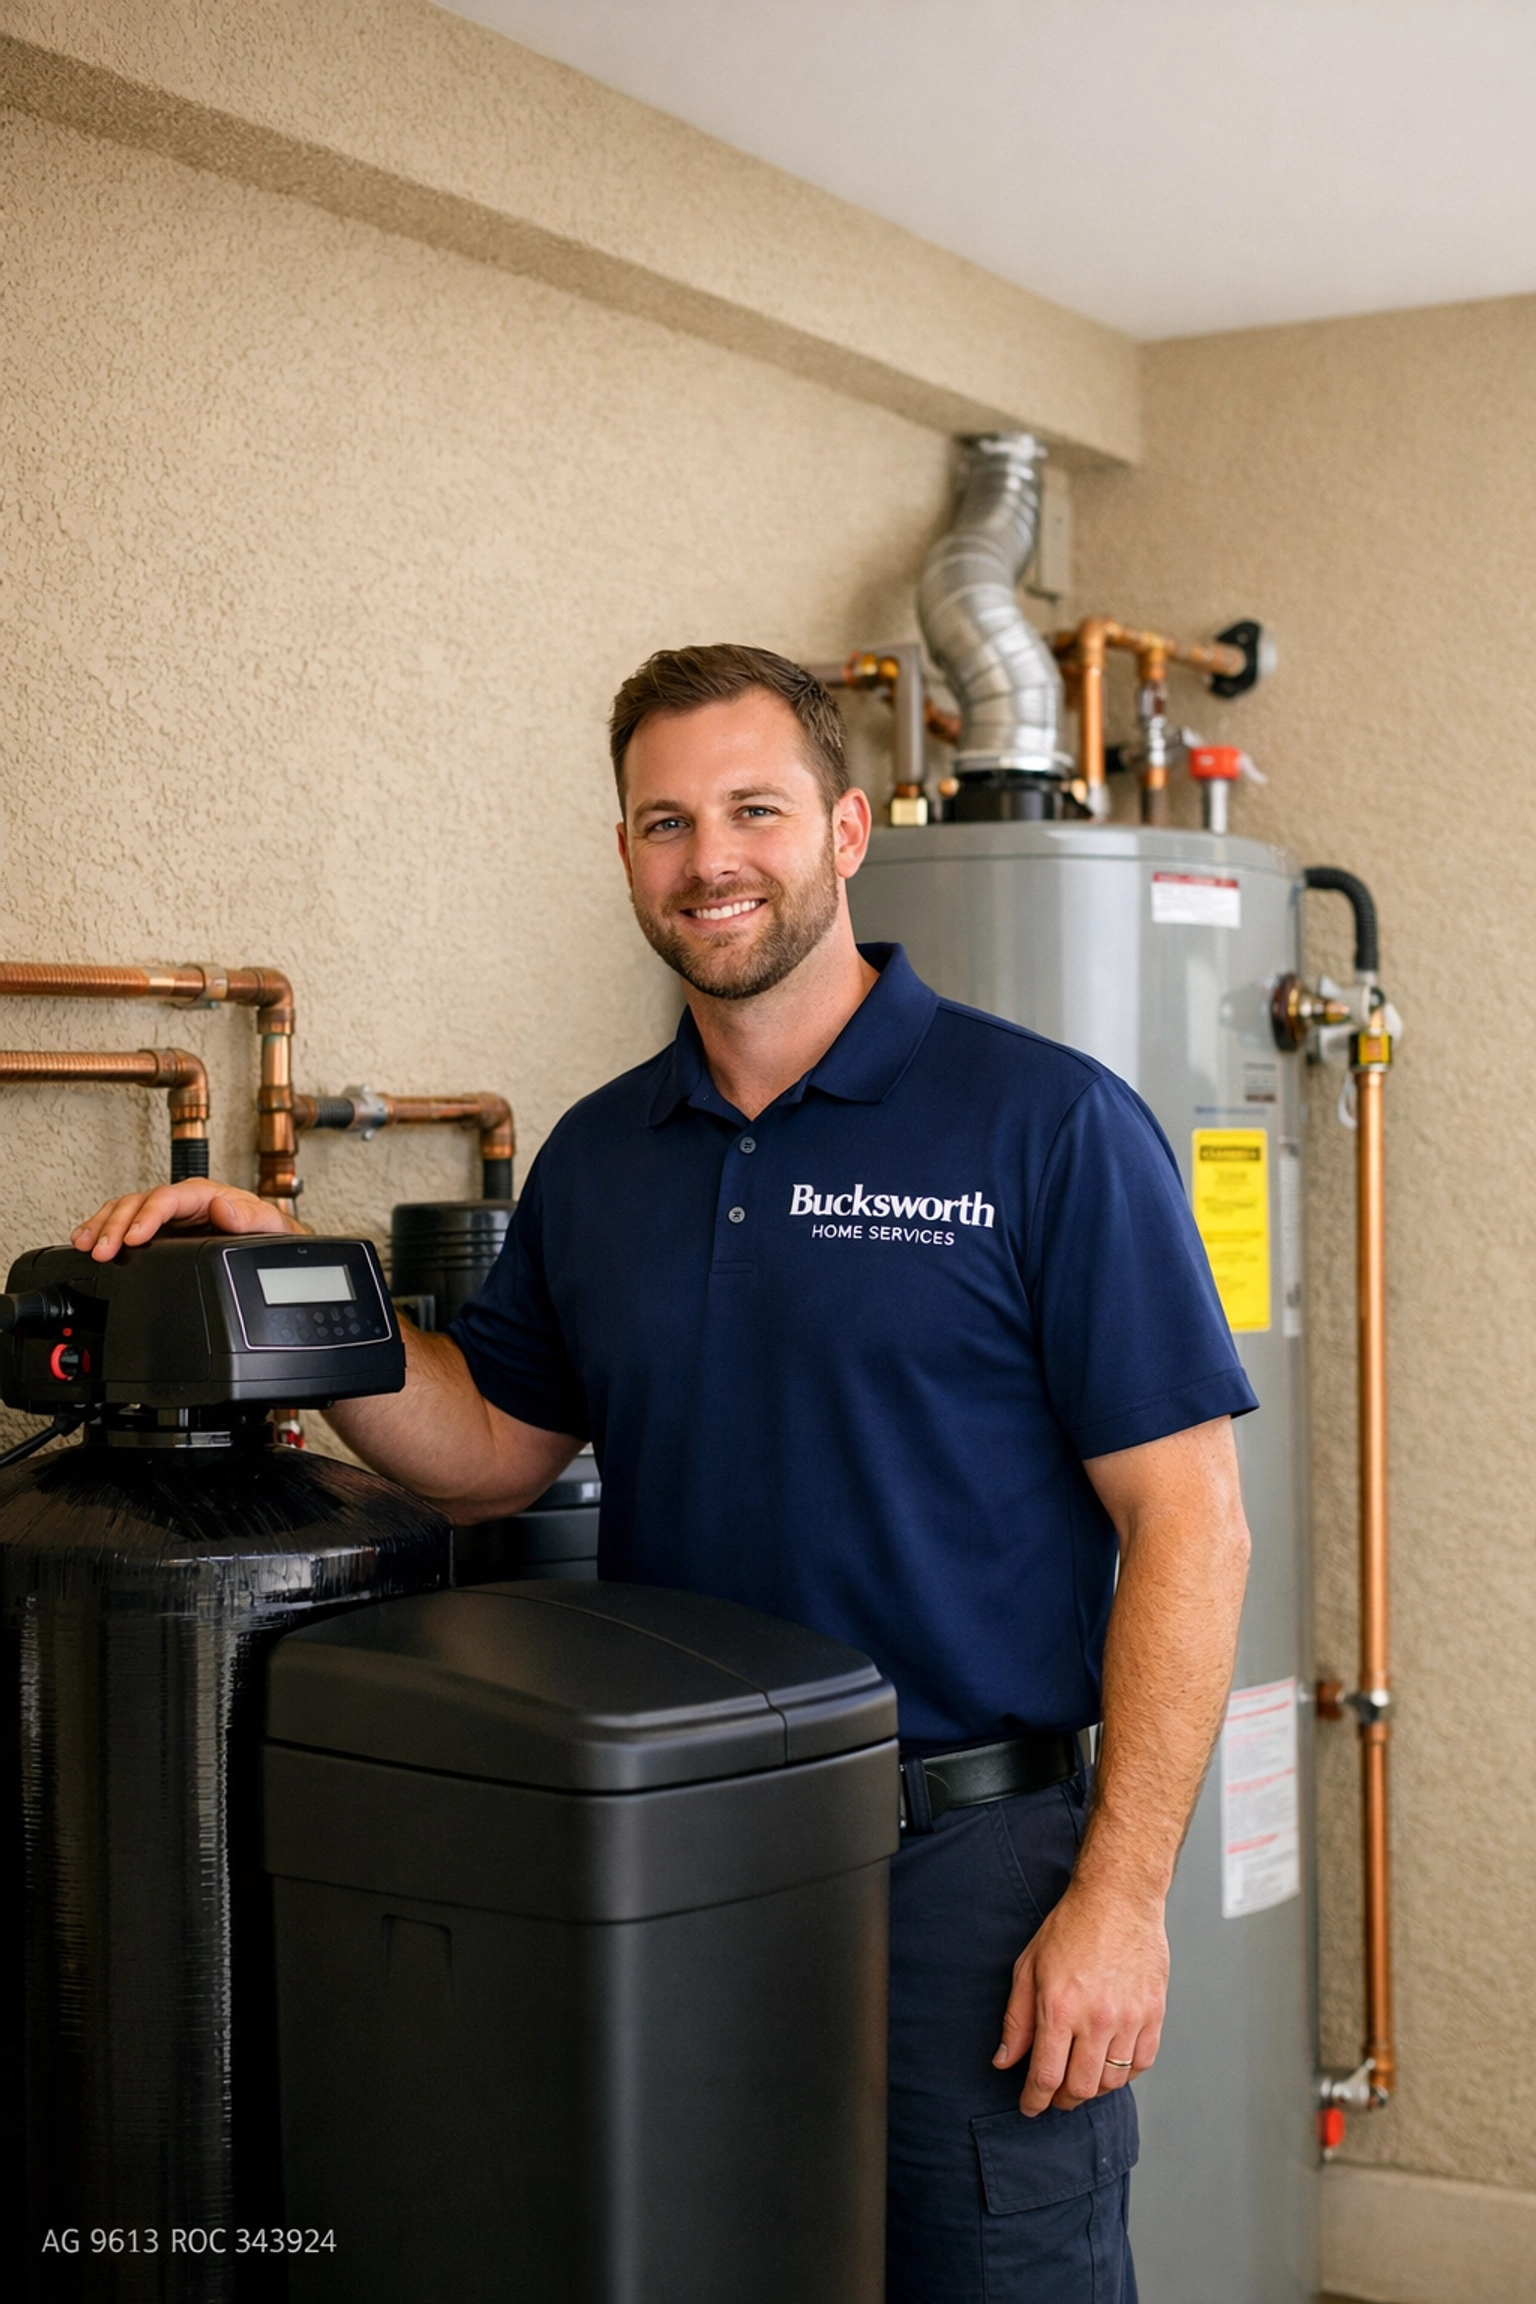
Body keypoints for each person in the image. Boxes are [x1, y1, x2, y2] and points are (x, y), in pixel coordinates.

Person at [76, 643, 1254, 2303]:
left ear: (846, 830)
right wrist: (305, 1289)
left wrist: (1121, 1898)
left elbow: (1189, 1523)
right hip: (686, 1860)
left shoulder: (1044, 1124)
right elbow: (487, 1456)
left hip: (967, 1877)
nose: (711, 859)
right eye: (663, 822)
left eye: (754, 809)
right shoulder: (600, 1156)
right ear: (626, 853)